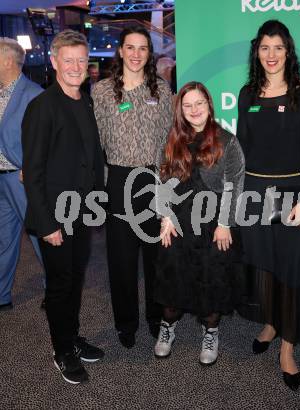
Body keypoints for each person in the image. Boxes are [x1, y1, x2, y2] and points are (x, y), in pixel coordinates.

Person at [236, 20, 300, 390]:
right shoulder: (247, 94)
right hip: (254, 194)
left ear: (289, 52)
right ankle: (270, 323)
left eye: (278, 48)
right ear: (258, 51)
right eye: (265, 48)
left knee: (292, 268)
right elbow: (240, 150)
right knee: (265, 266)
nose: (271, 55)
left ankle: (287, 348)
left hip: (291, 196)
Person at [21, 30, 105, 384]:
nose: (75, 66)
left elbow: (88, 158)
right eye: (67, 60)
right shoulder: (42, 107)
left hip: (82, 212)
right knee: (59, 284)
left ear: (88, 65)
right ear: (54, 62)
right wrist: (46, 224)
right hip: (55, 216)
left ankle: (71, 335)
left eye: (81, 60)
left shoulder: (84, 101)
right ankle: (62, 350)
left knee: (74, 279)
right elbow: (34, 172)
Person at [92, 26, 173, 348]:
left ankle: (156, 318)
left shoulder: (162, 91)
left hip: (154, 180)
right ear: (121, 51)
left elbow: (170, 141)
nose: (137, 54)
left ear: (149, 53)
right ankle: (126, 323)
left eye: (143, 48)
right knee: (122, 260)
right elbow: (94, 143)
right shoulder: (101, 91)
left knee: (156, 259)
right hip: (118, 180)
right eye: (131, 47)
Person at [153, 81, 245, 366]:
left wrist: (225, 223)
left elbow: (234, 184)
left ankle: (211, 331)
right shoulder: (171, 139)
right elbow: (161, 181)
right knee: (172, 281)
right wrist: (164, 217)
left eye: (199, 103)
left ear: (209, 105)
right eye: (188, 105)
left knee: (212, 281)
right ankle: (167, 328)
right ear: (181, 109)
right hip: (178, 222)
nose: (194, 110)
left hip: (213, 224)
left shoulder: (227, 140)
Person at [0, 37, 44, 312]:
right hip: (2, 179)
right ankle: (1, 294)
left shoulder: (33, 94)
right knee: (4, 239)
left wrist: (32, 166)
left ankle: (56, 291)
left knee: (41, 235)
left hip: (22, 178)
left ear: (7, 61)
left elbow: (44, 139)